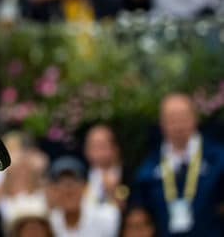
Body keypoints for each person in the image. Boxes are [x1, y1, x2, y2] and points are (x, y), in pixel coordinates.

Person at [131, 93, 224, 236]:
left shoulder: (218, 158)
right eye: (172, 119)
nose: (178, 126)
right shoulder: (148, 168)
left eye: (183, 117)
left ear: (195, 118)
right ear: (162, 123)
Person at [46, 156, 119, 237]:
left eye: (72, 184)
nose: (68, 191)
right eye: (61, 184)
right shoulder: (49, 222)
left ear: (84, 186)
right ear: (52, 190)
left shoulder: (108, 217)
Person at [83, 124, 127, 210]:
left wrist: (113, 193)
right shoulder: (80, 177)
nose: (97, 151)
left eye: (102, 145)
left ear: (115, 149)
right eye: (93, 146)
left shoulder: (129, 176)